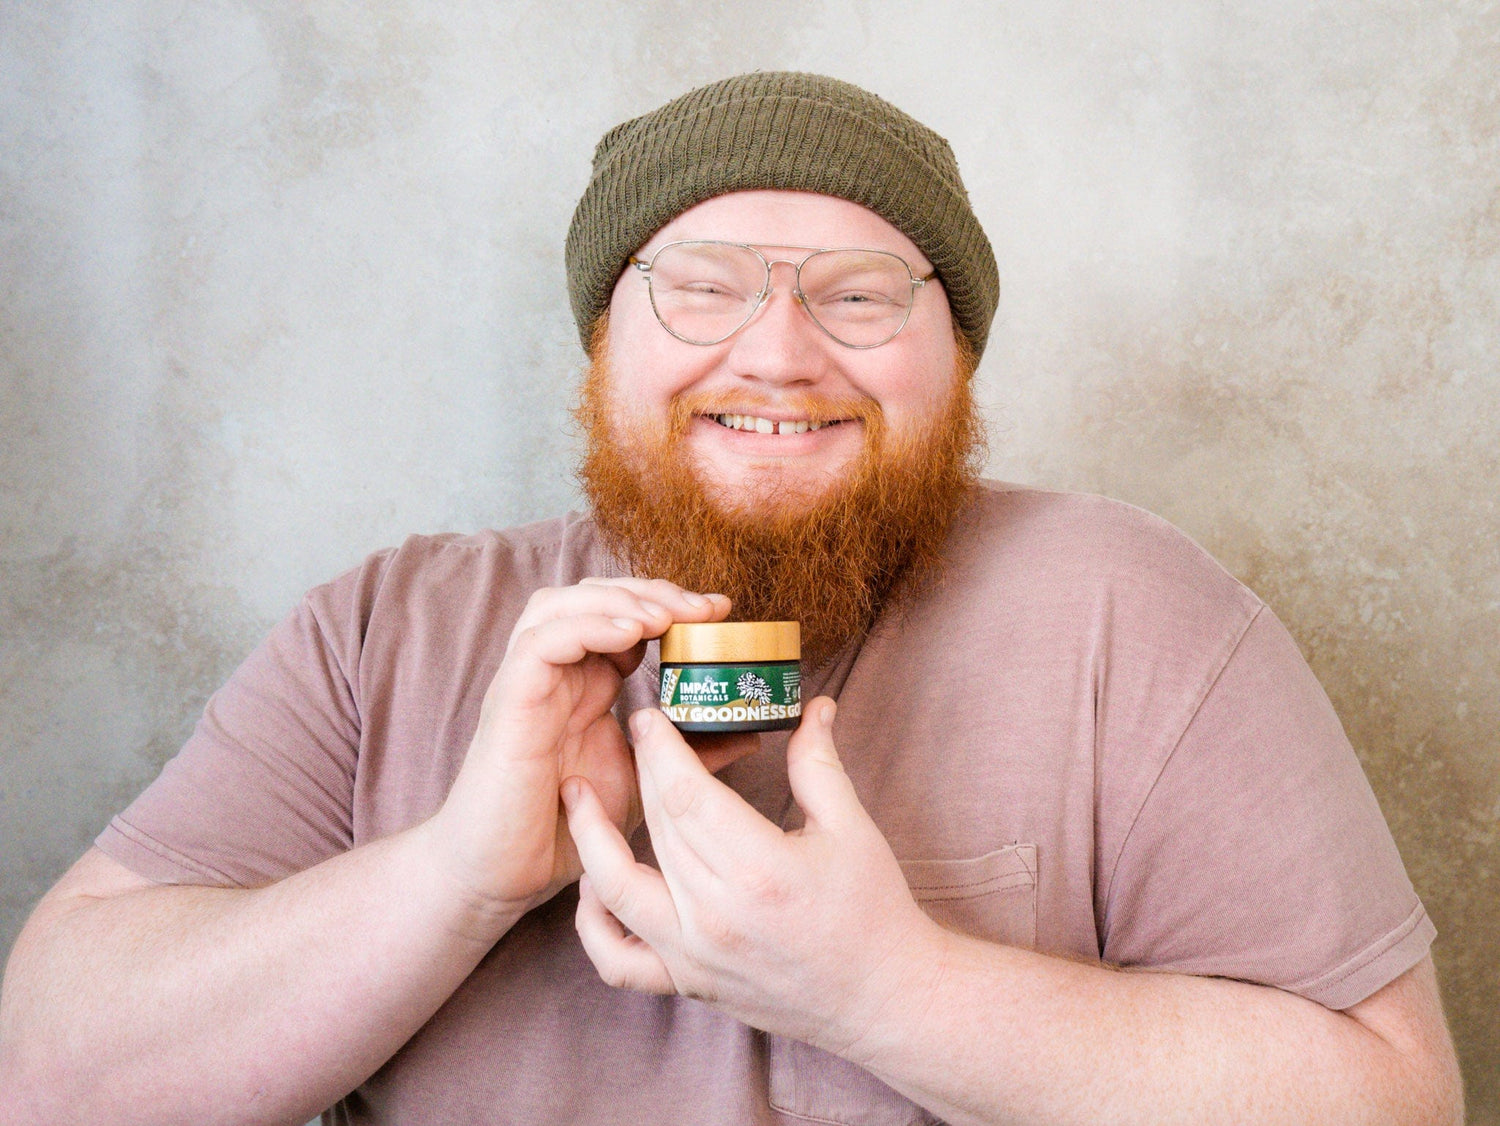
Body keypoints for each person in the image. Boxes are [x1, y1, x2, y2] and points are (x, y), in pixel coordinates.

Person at [0, 71, 1464, 1126]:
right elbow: (48, 1078)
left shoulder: (1135, 615)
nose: (776, 353)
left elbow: (1396, 1101)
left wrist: (891, 991)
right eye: (700, 285)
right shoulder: (384, 630)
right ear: (602, 342)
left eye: (860, 294)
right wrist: (456, 875)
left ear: (955, 360)